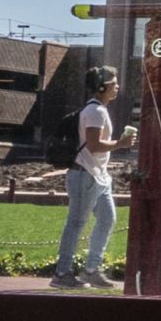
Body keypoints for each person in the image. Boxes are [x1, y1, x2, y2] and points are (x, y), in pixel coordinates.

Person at [54, 67, 120, 283]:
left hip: (98, 176)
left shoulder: (99, 110)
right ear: (101, 87)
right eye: (113, 83)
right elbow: (93, 145)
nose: (117, 86)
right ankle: (62, 273)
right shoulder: (95, 112)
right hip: (85, 175)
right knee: (76, 223)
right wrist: (121, 144)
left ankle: (91, 270)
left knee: (107, 219)